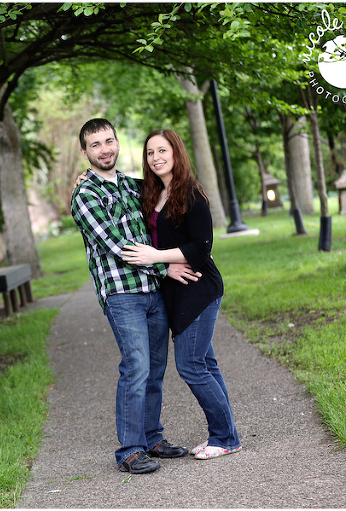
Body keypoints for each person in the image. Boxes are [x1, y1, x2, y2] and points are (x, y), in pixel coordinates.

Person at [70, 118, 190, 475]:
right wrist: (164, 267)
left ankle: (152, 438)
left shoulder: (132, 186)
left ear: (118, 142)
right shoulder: (85, 195)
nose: (105, 149)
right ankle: (129, 450)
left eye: (109, 141)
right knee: (136, 367)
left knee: (155, 369)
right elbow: (117, 247)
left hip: (153, 294)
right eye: (95, 145)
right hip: (122, 294)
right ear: (85, 152)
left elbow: (166, 188)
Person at [120, 128, 242, 459]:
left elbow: (201, 249)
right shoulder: (150, 193)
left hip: (199, 288)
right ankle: (226, 435)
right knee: (206, 363)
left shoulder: (192, 194)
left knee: (190, 365)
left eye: (163, 151)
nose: (156, 158)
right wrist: (82, 179)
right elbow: (113, 183)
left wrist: (156, 257)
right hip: (175, 291)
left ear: (176, 153)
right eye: (150, 153)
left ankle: (224, 437)